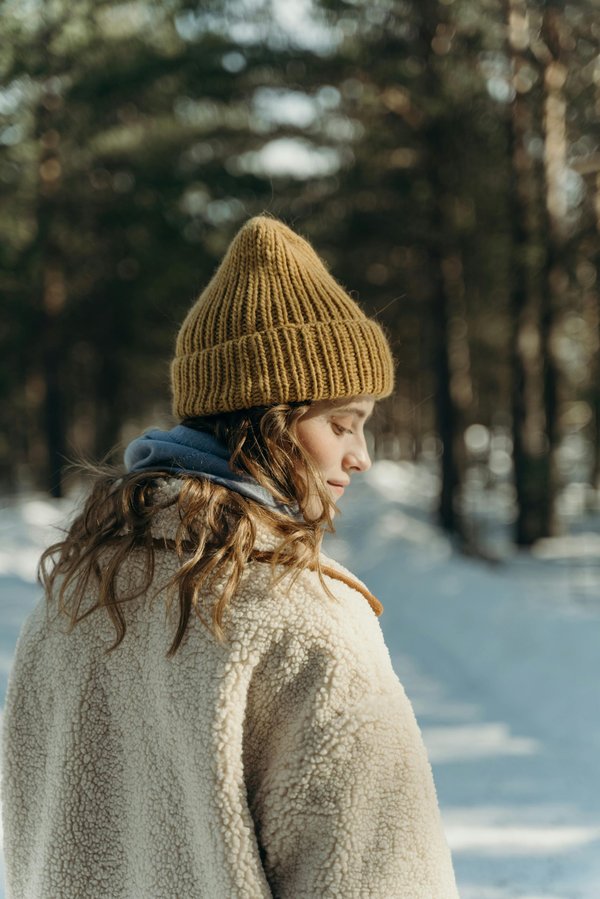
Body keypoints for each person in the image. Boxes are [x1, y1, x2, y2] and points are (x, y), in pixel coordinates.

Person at [2, 215, 460, 898]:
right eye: (342, 423)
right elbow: (375, 876)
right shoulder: (306, 619)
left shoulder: (77, 593)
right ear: (268, 418)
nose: (359, 455)